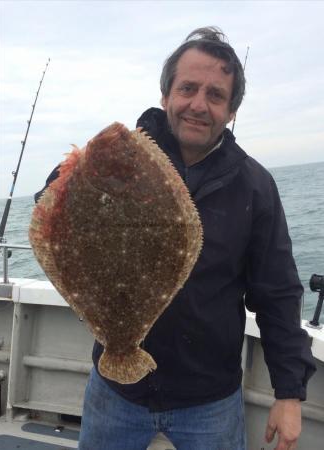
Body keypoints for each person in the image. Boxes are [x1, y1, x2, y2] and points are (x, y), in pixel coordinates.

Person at [36, 27, 316, 450]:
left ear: (231, 110)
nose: (199, 105)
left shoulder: (253, 185)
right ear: (166, 94)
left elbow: (276, 291)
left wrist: (289, 393)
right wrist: (69, 177)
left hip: (211, 401)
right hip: (116, 393)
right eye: (188, 88)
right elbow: (51, 219)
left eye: (216, 95)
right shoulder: (116, 159)